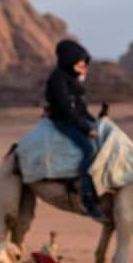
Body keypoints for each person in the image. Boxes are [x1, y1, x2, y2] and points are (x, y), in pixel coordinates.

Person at [45, 39, 101, 218]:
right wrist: (86, 129)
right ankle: (86, 197)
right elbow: (67, 109)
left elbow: (81, 108)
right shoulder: (58, 80)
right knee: (89, 149)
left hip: (76, 119)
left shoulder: (72, 79)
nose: (83, 67)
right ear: (70, 62)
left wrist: (95, 121)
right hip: (63, 121)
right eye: (79, 63)